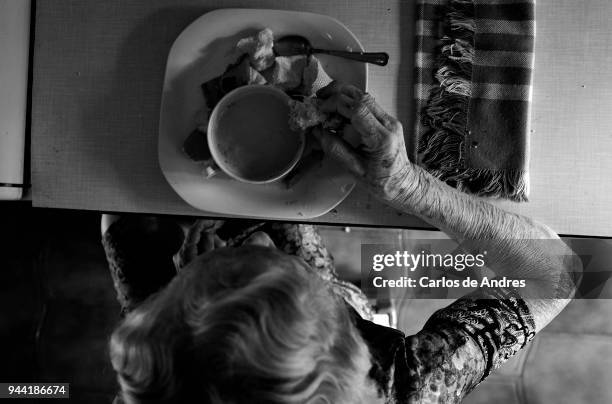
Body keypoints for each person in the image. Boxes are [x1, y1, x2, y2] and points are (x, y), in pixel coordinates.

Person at [103, 82, 581, 404]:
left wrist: (188, 282)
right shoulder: (404, 385)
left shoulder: (162, 352)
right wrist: (409, 188)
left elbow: (115, 214)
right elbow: (557, 272)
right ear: (352, 360)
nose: (265, 243)